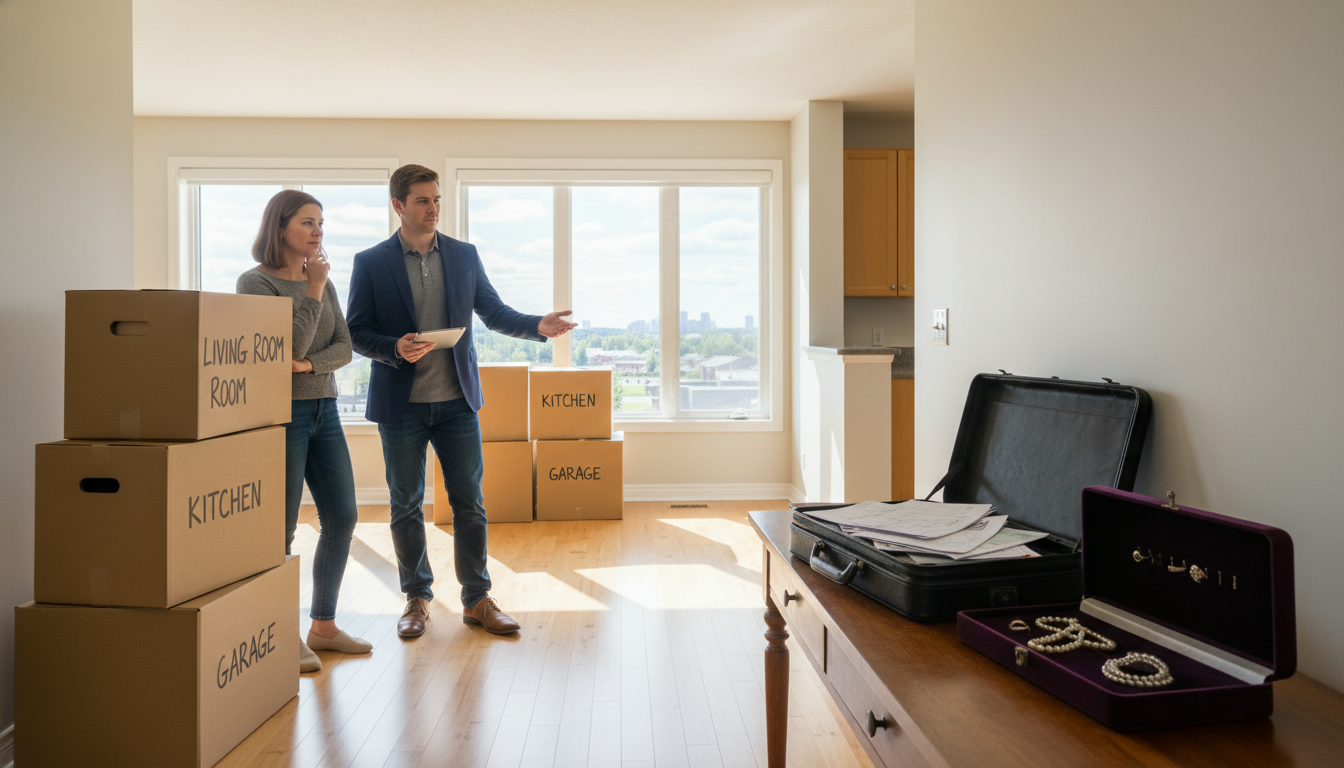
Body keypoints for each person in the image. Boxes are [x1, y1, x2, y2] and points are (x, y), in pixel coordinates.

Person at [346, 164, 576, 638]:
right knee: (405, 503)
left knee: (469, 502)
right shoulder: (370, 262)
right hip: (401, 405)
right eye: (422, 201)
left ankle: (477, 599)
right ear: (398, 206)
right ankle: (416, 598)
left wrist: (537, 325)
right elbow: (355, 332)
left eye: (436, 200)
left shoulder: (464, 255)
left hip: (456, 402)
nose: (432, 209)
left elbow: (493, 313)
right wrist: (394, 347)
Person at [238, 189, 373, 673]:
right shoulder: (255, 284)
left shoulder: (324, 280)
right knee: (282, 529)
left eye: (321, 223)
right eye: (307, 222)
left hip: (326, 409)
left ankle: (324, 625)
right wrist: (313, 290)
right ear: (279, 228)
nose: (318, 231)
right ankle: (278, 635)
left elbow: (344, 347)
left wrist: (308, 364)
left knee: (343, 515)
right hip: (283, 416)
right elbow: (279, 347)